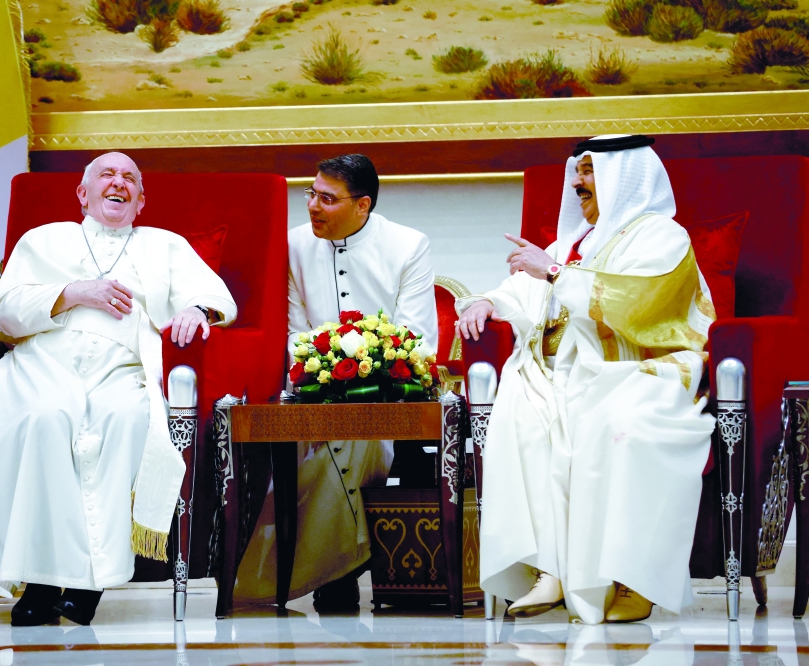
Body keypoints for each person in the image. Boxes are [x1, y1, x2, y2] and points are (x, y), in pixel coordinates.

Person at [0, 152, 237, 626]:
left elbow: (212, 294)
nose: (118, 183)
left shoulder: (164, 245)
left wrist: (197, 311)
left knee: (125, 421)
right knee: (42, 420)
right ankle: (40, 584)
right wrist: (75, 292)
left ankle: (90, 583)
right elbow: (6, 310)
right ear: (83, 194)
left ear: (141, 201)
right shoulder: (42, 240)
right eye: (106, 174)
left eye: (129, 178)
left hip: (123, 366)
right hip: (44, 362)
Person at [455, 135, 715, 624]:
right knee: (524, 412)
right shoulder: (575, 241)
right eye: (577, 172)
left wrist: (552, 271)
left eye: (590, 172)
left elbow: (637, 306)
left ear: (625, 177)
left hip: (639, 368)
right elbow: (523, 289)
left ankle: (632, 578)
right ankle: (548, 569)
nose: (577, 183)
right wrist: (487, 302)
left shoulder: (660, 236)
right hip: (563, 370)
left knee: (616, 422)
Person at [234, 154, 438, 611]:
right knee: (336, 428)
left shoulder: (408, 245)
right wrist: (320, 367)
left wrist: (372, 367)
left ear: (363, 205)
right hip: (311, 390)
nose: (312, 206)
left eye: (327, 198)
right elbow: (292, 329)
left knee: (357, 430)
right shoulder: (294, 245)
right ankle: (345, 563)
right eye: (311, 194)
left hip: (389, 395)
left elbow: (418, 336)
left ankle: (334, 568)